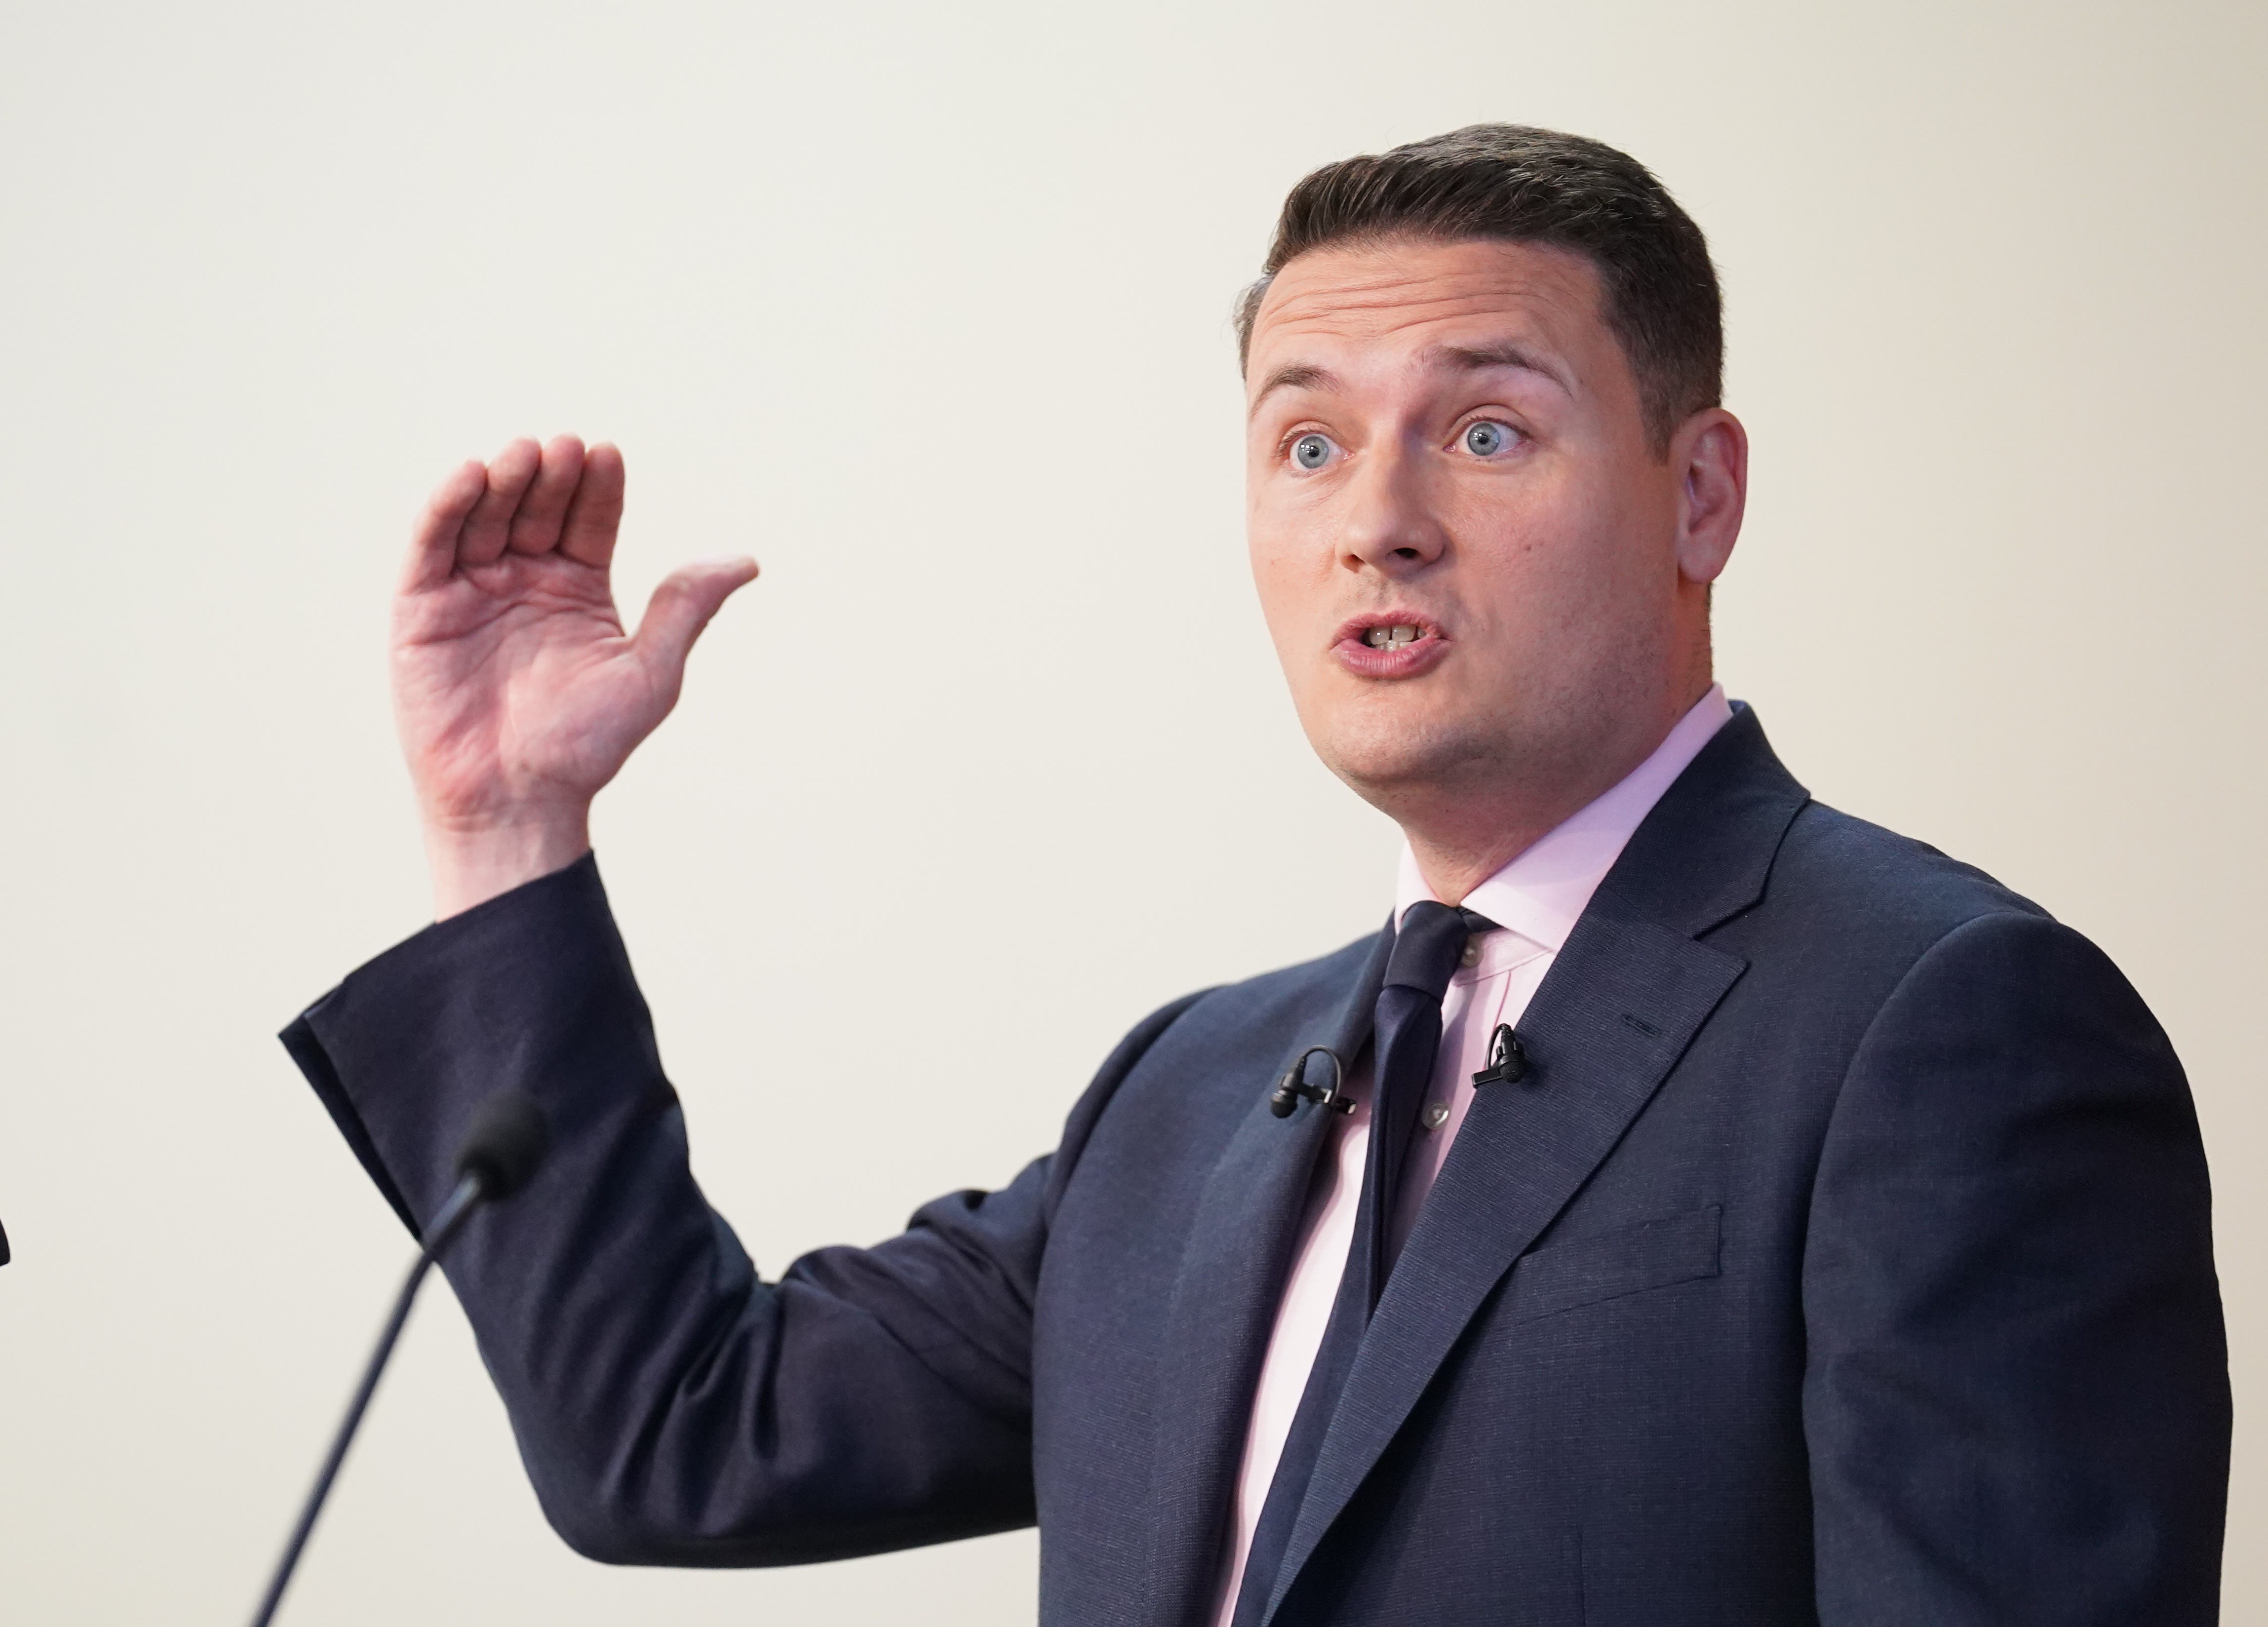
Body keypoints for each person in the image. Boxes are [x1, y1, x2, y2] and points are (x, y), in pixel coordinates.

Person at [281, 125, 2229, 1625]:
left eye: (1485, 429)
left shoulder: (1939, 1020)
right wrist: (509, 827)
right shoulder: (1188, 1098)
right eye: (1305, 444)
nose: (1377, 521)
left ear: (1698, 491)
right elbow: (675, 1432)